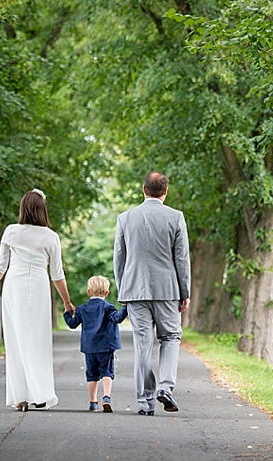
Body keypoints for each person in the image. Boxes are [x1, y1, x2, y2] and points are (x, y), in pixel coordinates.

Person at [0, 189, 74, 411]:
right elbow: (57, 274)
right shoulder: (51, 236)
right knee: (37, 340)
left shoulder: (11, 231)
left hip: (14, 286)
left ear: (23, 208)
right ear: (42, 209)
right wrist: (67, 302)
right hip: (38, 286)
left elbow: (0, 265)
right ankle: (39, 393)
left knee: (16, 340)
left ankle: (21, 397)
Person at [114, 171, 190, 416]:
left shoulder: (125, 218)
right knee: (171, 337)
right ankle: (165, 387)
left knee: (143, 345)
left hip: (135, 290)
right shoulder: (176, 217)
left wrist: (123, 290)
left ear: (143, 189)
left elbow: (119, 258)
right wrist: (185, 291)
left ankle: (145, 402)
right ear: (165, 192)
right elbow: (181, 258)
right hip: (167, 290)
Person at [63, 276, 128, 412]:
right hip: (106, 346)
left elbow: (72, 324)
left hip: (89, 347)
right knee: (107, 372)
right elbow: (117, 319)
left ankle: (93, 402)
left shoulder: (82, 309)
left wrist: (67, 313)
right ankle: (106, 397)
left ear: (88, 292)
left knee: (92, 374)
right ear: (106, 293)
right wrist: (125, 307)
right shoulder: (108, 307)